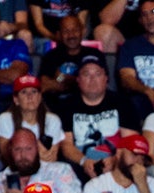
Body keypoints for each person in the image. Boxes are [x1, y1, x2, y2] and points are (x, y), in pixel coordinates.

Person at [55, 53, 140, 181]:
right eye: (86, 74)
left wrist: (114, 160)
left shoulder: (122, 103)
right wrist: (84, 161)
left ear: (106, 78)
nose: (92, 79)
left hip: (115, 164)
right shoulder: (67, 105)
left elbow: (130, 141)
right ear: (78, 79)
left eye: (98, 74)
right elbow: (66, 145)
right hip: (80, 165)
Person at [0, 75, 66, 160]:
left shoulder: (53, 120)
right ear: (16, 99)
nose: (30, 96)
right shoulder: (5, 119)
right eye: (24, 92)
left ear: (40, 97)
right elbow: (7, 157)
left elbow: (52, 157)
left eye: (34, 92)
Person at [37, 15, 102, 98]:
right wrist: (76, 81)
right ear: (59, 34)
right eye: (66, 31)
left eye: (75, 30)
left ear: (83, 31)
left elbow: (98, 84)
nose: (71, 35)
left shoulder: (95, 54)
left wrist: (62, 79)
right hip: (56, 107)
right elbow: (44, 84)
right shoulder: (51, 56)